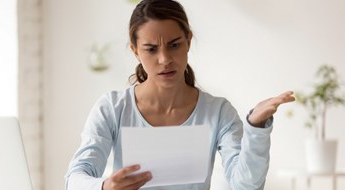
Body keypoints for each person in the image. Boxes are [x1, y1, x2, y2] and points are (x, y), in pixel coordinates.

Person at [65, 0, 295, 189]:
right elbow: (75, 178)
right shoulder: (112, 108)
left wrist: (256, 127)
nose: (164, 59)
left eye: (174, 45)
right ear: (135, 51)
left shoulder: (218, 112)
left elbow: (245, 185)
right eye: (151, 49)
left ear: (188, 41)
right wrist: (104, 187)